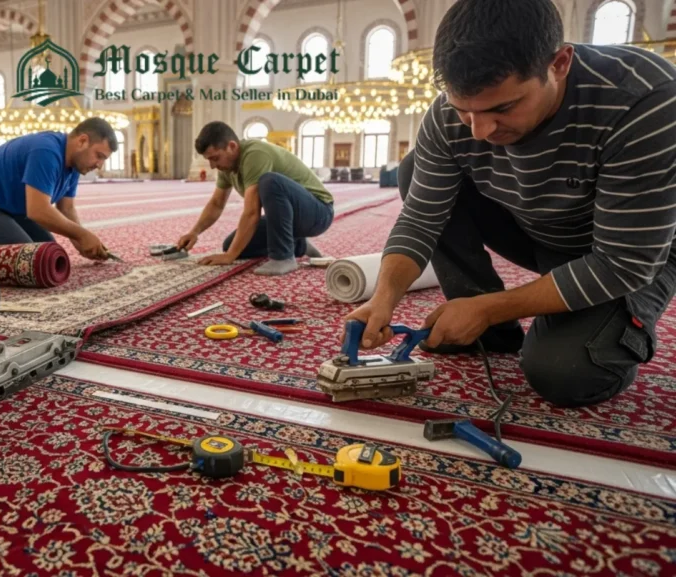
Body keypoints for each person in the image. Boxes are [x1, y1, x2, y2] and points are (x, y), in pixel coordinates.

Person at [344, 0, 676, 408]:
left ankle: (495, 318)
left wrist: (490, 308)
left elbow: (625, 262)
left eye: (503, 108)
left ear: (559, 63)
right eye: (464, 110)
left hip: (629, 253)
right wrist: (384, 298)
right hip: (538, 229)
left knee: (566, 372)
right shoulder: (451, 117)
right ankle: (489, 333)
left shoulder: (643, 98)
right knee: (415, 171)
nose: (481, 130)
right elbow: (420, 219)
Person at [0, 119, 118, 261]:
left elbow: (66, 208)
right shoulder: (46, 151)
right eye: (99, 156)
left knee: (51, 256)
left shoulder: (74, 165)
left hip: (9, 210)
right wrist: (82, 235)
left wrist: (82, 244)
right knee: (28, 259)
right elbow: (39, 211)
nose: (99, 165)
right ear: (82, 141)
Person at [177, 121, 331, 275]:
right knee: (231, 245)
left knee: (270, 181)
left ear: (232, 146)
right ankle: (299, 245)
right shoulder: (227, 167)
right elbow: (217, 204)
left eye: (215, 158)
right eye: (209, 159)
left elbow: (252, 212)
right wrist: (195, 232)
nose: (212, 166)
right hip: (293, 218)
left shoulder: (255, 154)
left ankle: (283, 257)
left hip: (318, 213)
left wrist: (230, 257)